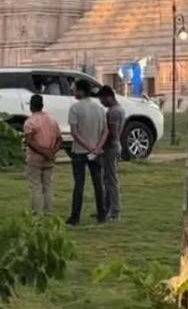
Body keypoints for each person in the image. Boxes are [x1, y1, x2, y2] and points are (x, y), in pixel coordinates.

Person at [66, 78, 107, 225]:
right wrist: (97, 147)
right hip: (96, 151)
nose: (73, 91)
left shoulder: (75, 108)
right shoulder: (99, 109)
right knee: (98, 183)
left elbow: (74, 133)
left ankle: (75, 216)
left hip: (79, 151)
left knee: (79, 184)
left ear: (81, 91)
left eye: (75, 88)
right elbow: (105, 131)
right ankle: (102, 214)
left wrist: (88, 147)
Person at [23, 94, 61, 215]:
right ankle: (49, 211)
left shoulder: (30, 122)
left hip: (35, 157)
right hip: (49, 156)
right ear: (42, 105)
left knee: (35, 185)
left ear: (31, 106)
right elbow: (60, 139)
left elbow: (29, 141)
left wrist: (43, 152)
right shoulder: (52, 120)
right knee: (48, 185)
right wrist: (51, 152)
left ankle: (37, 212)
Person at [97, 85, 125, 222]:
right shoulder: (120, 109)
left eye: (102, 100)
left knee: (111, 180)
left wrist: (100, 143)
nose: (101, 103)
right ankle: (106, 208)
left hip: (110, 148)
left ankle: (115, 211)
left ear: (108, 97)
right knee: (107, 179)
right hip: (115, 146)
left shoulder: (113, 112)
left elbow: (112, 132)